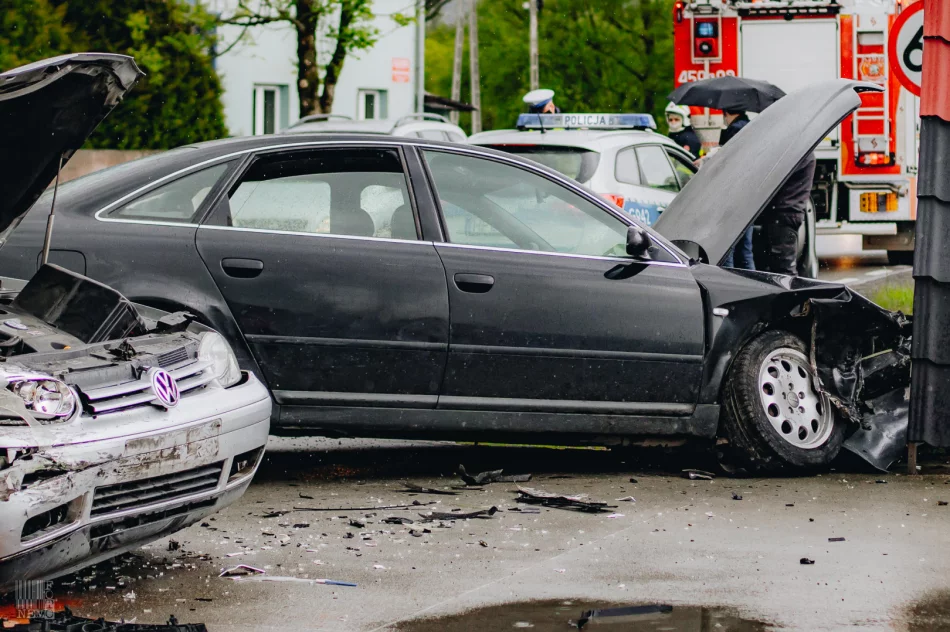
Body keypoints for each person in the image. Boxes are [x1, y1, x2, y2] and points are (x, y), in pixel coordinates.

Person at [760, 153, 816, 276]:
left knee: (784, 269)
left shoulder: (799, 156)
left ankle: (793, 294)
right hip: (788, 214)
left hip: (784, 215)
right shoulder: (805, 156)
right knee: (781, 266)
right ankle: (791, 292)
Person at [718, 109, 754, 271]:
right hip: (748, 194)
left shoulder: (734, 130)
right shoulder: (751, 126)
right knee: (745, 249)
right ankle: (755, 287)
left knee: (727, 248)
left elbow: (728, 160)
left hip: (733, 195)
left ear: (727, 113)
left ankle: (728, 285)